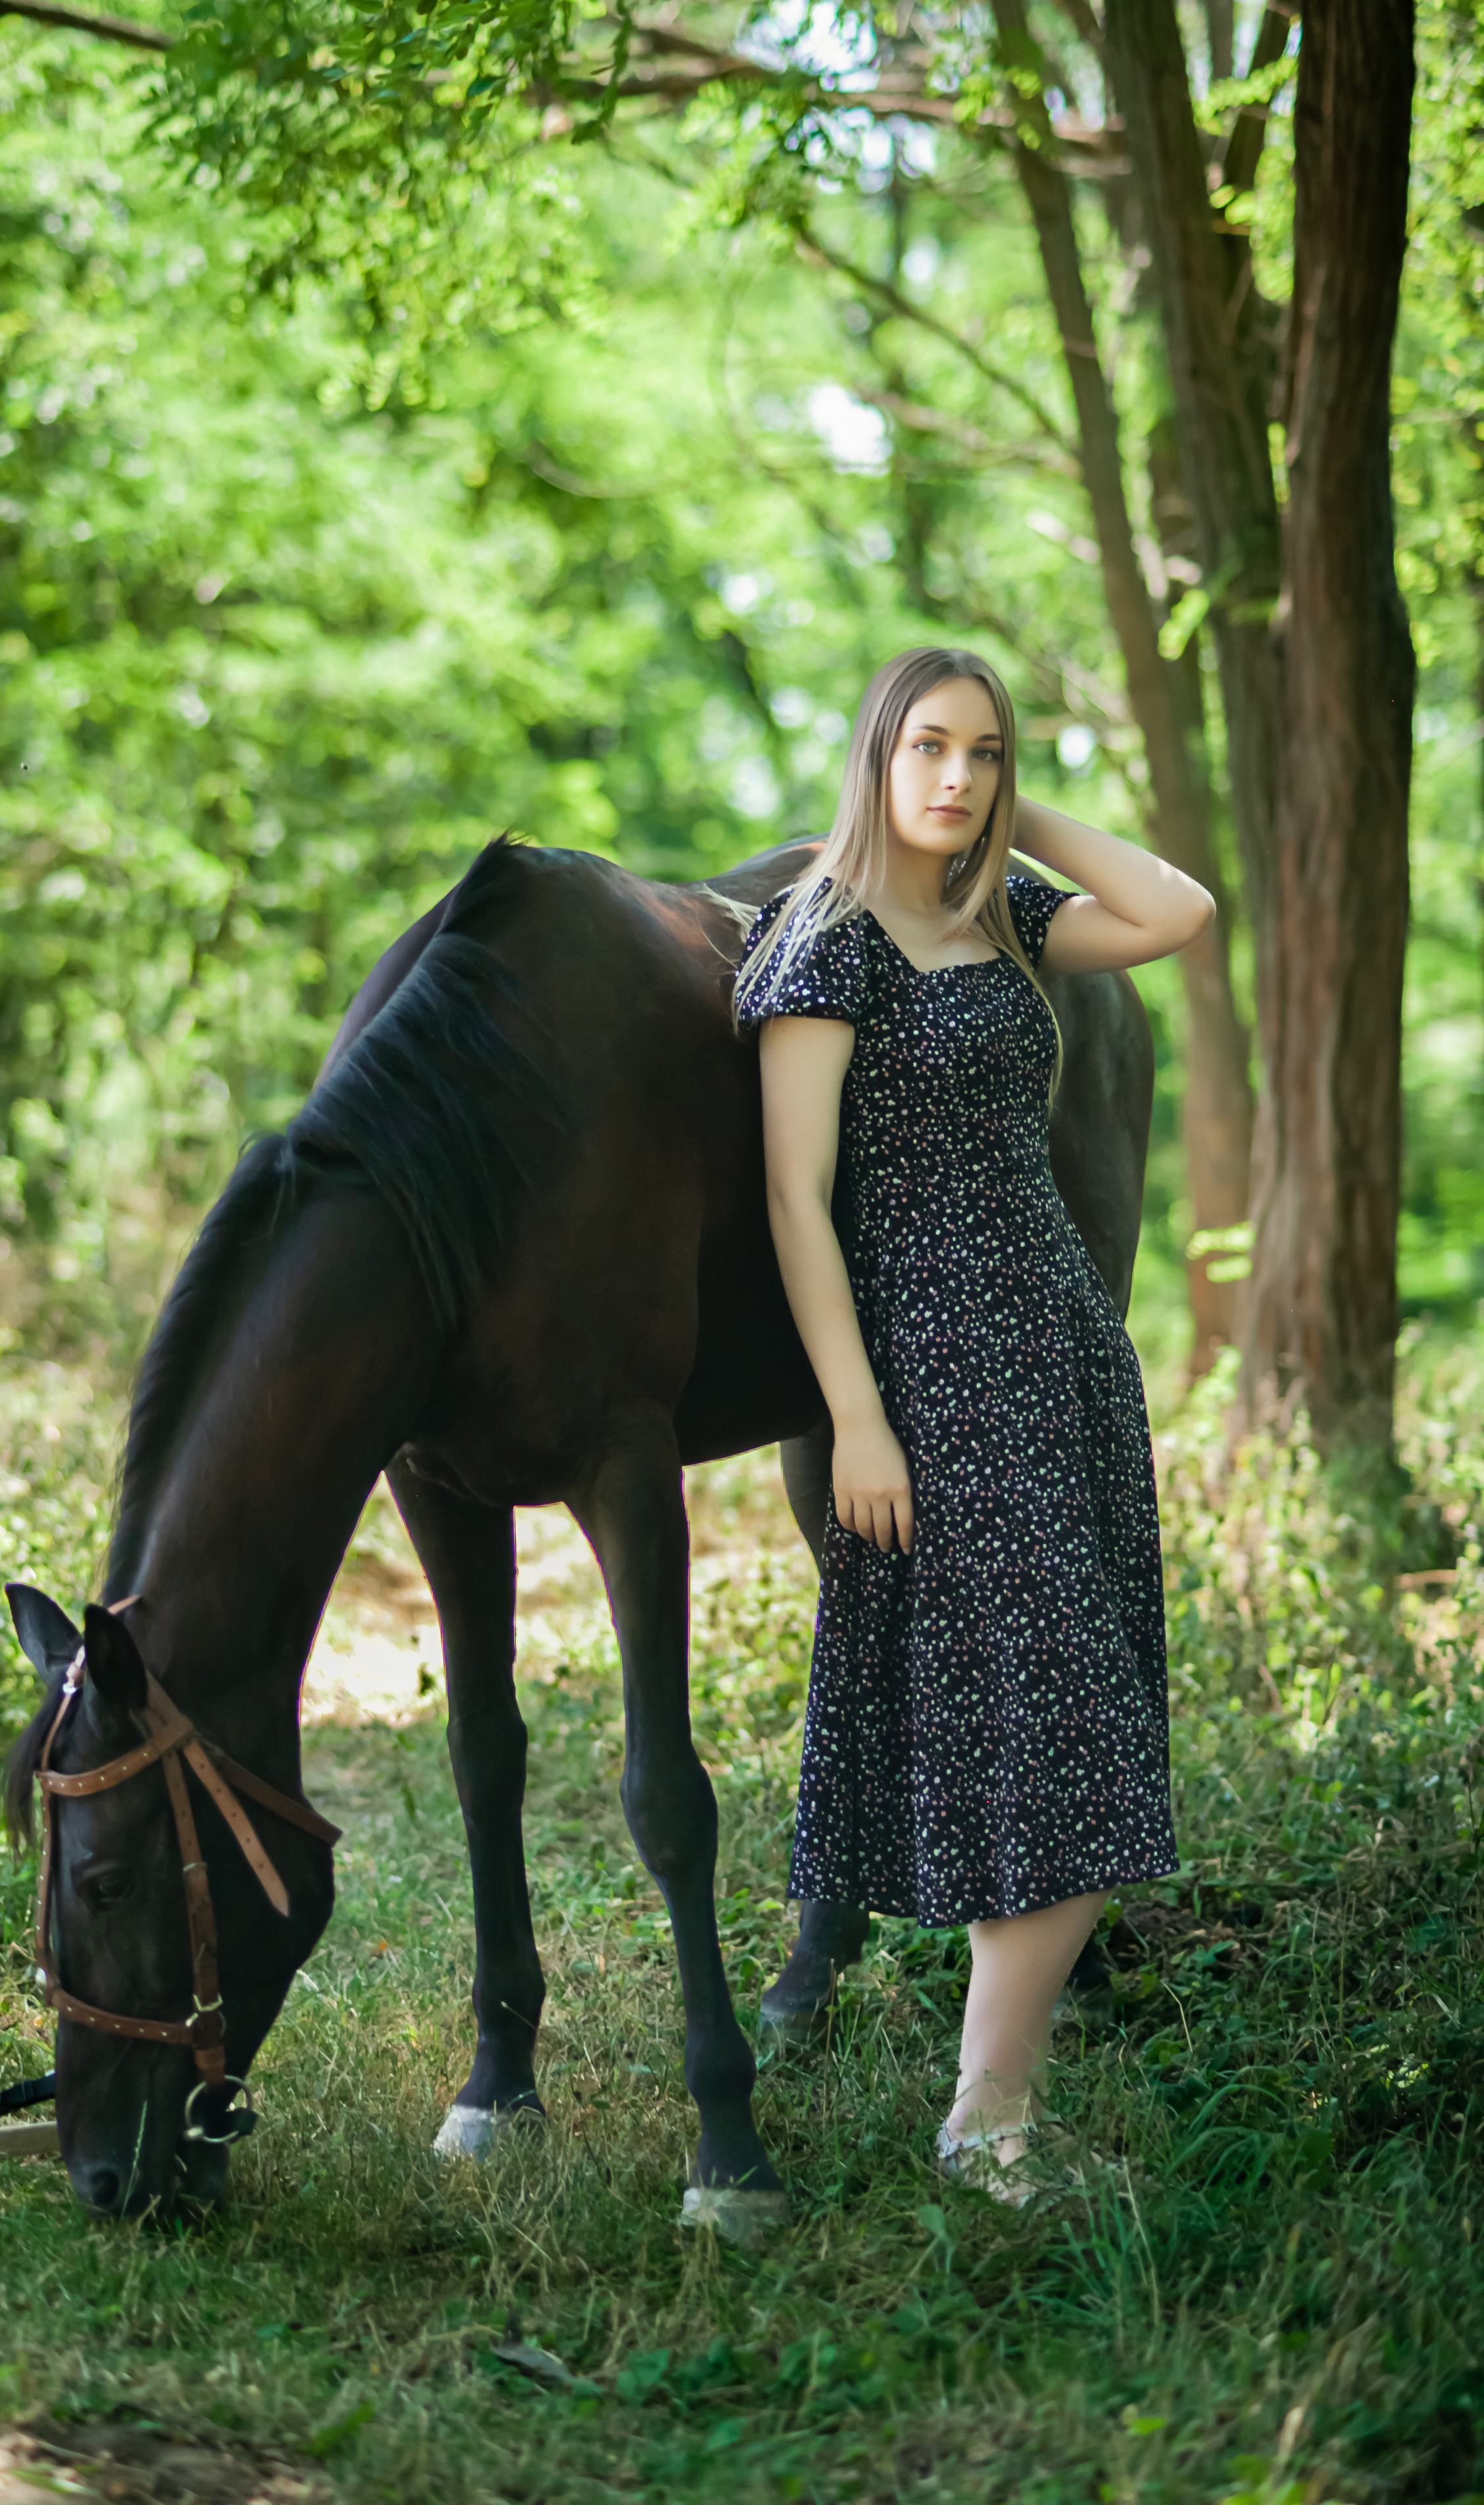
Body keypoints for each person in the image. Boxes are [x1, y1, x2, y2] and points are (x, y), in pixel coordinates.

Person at [734, 646, 1213, 2200]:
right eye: (926, 748)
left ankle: (991, 2114)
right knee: (1049, 1718)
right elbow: (798, 1208)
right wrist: (854, 1419)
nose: (954, 778)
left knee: (1085, 1718)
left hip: (1062, 1356)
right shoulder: (819, 947)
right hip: (928, 1379)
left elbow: (1179, 913)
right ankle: (985, 2125)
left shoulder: (1002, 920)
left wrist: (1020, 818)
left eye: (982, 755)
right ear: (872, 753)